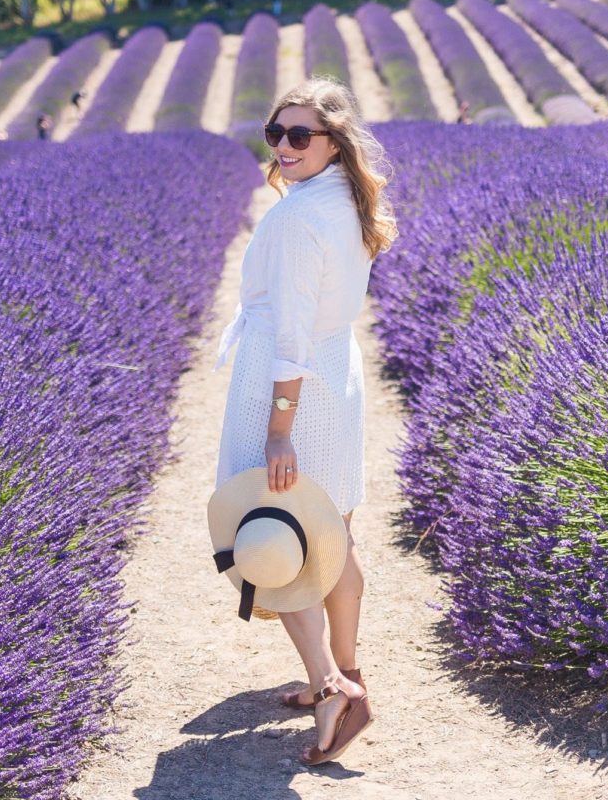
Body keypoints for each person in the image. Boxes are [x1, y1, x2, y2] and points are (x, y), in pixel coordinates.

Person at [213, 78, 397, 765]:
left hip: (289, 382)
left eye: (300, 136)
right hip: (333, 375)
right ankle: (348, 673)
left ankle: (331, 688)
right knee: (330, 534)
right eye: (275, 134)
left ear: (333, 142)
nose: (284, 147)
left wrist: (278, 425)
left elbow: (288, 331)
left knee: (272, 535)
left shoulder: (296, 219)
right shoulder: (348, 200)